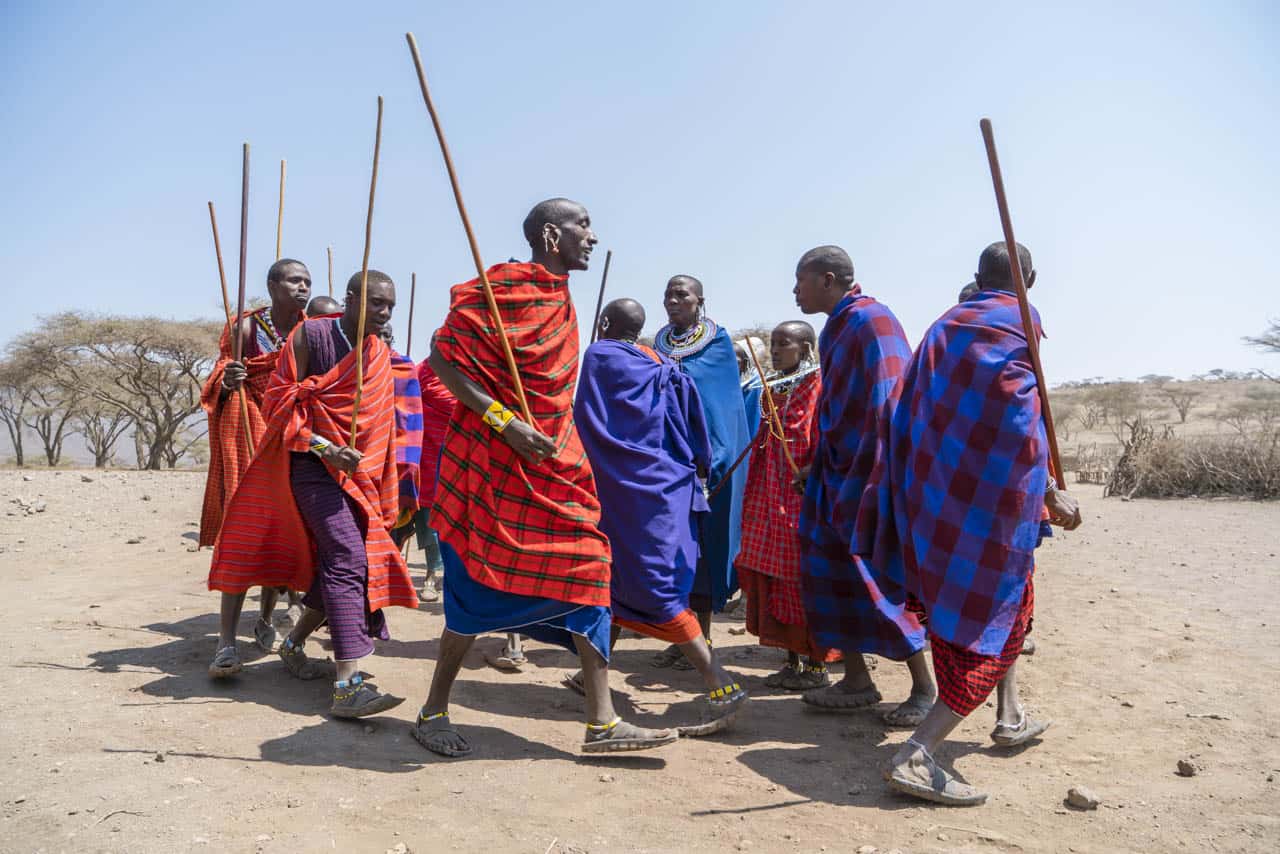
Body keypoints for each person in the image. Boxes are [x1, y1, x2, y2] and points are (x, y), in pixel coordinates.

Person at [411, 198, 678, 757]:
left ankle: (602, 723)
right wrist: (503, 422)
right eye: (584, 225)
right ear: (553, 234)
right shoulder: (503, 286)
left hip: (553, 467)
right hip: (491, 465)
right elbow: (441, 358)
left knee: (591, 566)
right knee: (472, 591)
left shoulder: (561, 296)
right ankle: (433, 707)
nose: (593, 236)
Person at [878, 242, 1081, 806]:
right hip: (990, 513)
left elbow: (916, 410)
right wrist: (1047, 493)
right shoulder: (1020, 320)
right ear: (1030, 279)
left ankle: (1010, 714)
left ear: (975, 277)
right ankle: (916, 753)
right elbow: (1017, 425)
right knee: (996, 628)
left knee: (1001, 610)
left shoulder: (947, 324)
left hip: (939, 503)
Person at [208, 271, 418, 717]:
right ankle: (347, 686)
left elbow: (381, 428)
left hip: (358, 477)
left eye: (390, 307)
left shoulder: (378, 354)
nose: (384, 313)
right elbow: (278, 405)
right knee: (346, 558)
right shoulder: (312, 336)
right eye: (377, 303)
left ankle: (295, 641)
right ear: (352, 299)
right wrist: (325, 447)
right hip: (308, 467)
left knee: (345, 562)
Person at [571, 297, 748, 734]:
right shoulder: (660, 362)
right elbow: (694, 425)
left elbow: (584, 420)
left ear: (605, 323)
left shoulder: (599, 355)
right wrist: (702, 466)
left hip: (625, 492)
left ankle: (720, 682)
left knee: (656, 590)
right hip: (667, 488)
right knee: (609, 585)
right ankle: (587, 676)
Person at [791, 245, 936, 725]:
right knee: (827, 567)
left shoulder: (871, 321)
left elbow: (885, 403)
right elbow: (839, 406)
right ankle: (856, 679)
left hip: (869, 472)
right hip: (835, 469)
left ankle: (924, 688)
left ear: (827, 280)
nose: (795, 291)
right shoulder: (839, 325)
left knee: (879, 574)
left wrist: (865, 471)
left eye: (801, 281)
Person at [202, 258, 310, 676]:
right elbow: (220, 371)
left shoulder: (310, 328)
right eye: (293, 280)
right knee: (243, 533)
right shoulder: (246, 328)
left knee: (281, 533)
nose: (302, 288)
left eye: (307, 281)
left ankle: (265, 617)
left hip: (290, 433)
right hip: (248, 427)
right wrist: (229, 379)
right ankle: (226, 643)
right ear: (271, 285)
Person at [651, 275, 751, 668]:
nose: (673, 301)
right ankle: (681, 635)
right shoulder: (657, 345)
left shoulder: (717, 343)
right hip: (669, 463)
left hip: (710, 465)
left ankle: (703, 635)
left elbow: (720, 405)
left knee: (704, 554)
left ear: (699, 301)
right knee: (674, 553)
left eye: (682, 295)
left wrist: (714, 459)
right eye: (668, 295)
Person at [735, 321, 840, 690]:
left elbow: (822, 440)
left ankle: (816, 666)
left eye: (785, 344)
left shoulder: (820, 388)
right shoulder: (772, 390)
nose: (776, 351)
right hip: (768, 496)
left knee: (802, 579)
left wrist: (811, 472)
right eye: (773, 344)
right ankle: (790, 659)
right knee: (774, 580)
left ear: (807, 349)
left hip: (802, 497)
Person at [413, 330, 455, 603]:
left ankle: (454, 579)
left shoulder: (466, 378)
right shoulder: (419, 373)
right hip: (425, 454)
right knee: (428, 517)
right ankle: (431, 574)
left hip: (459, 454)